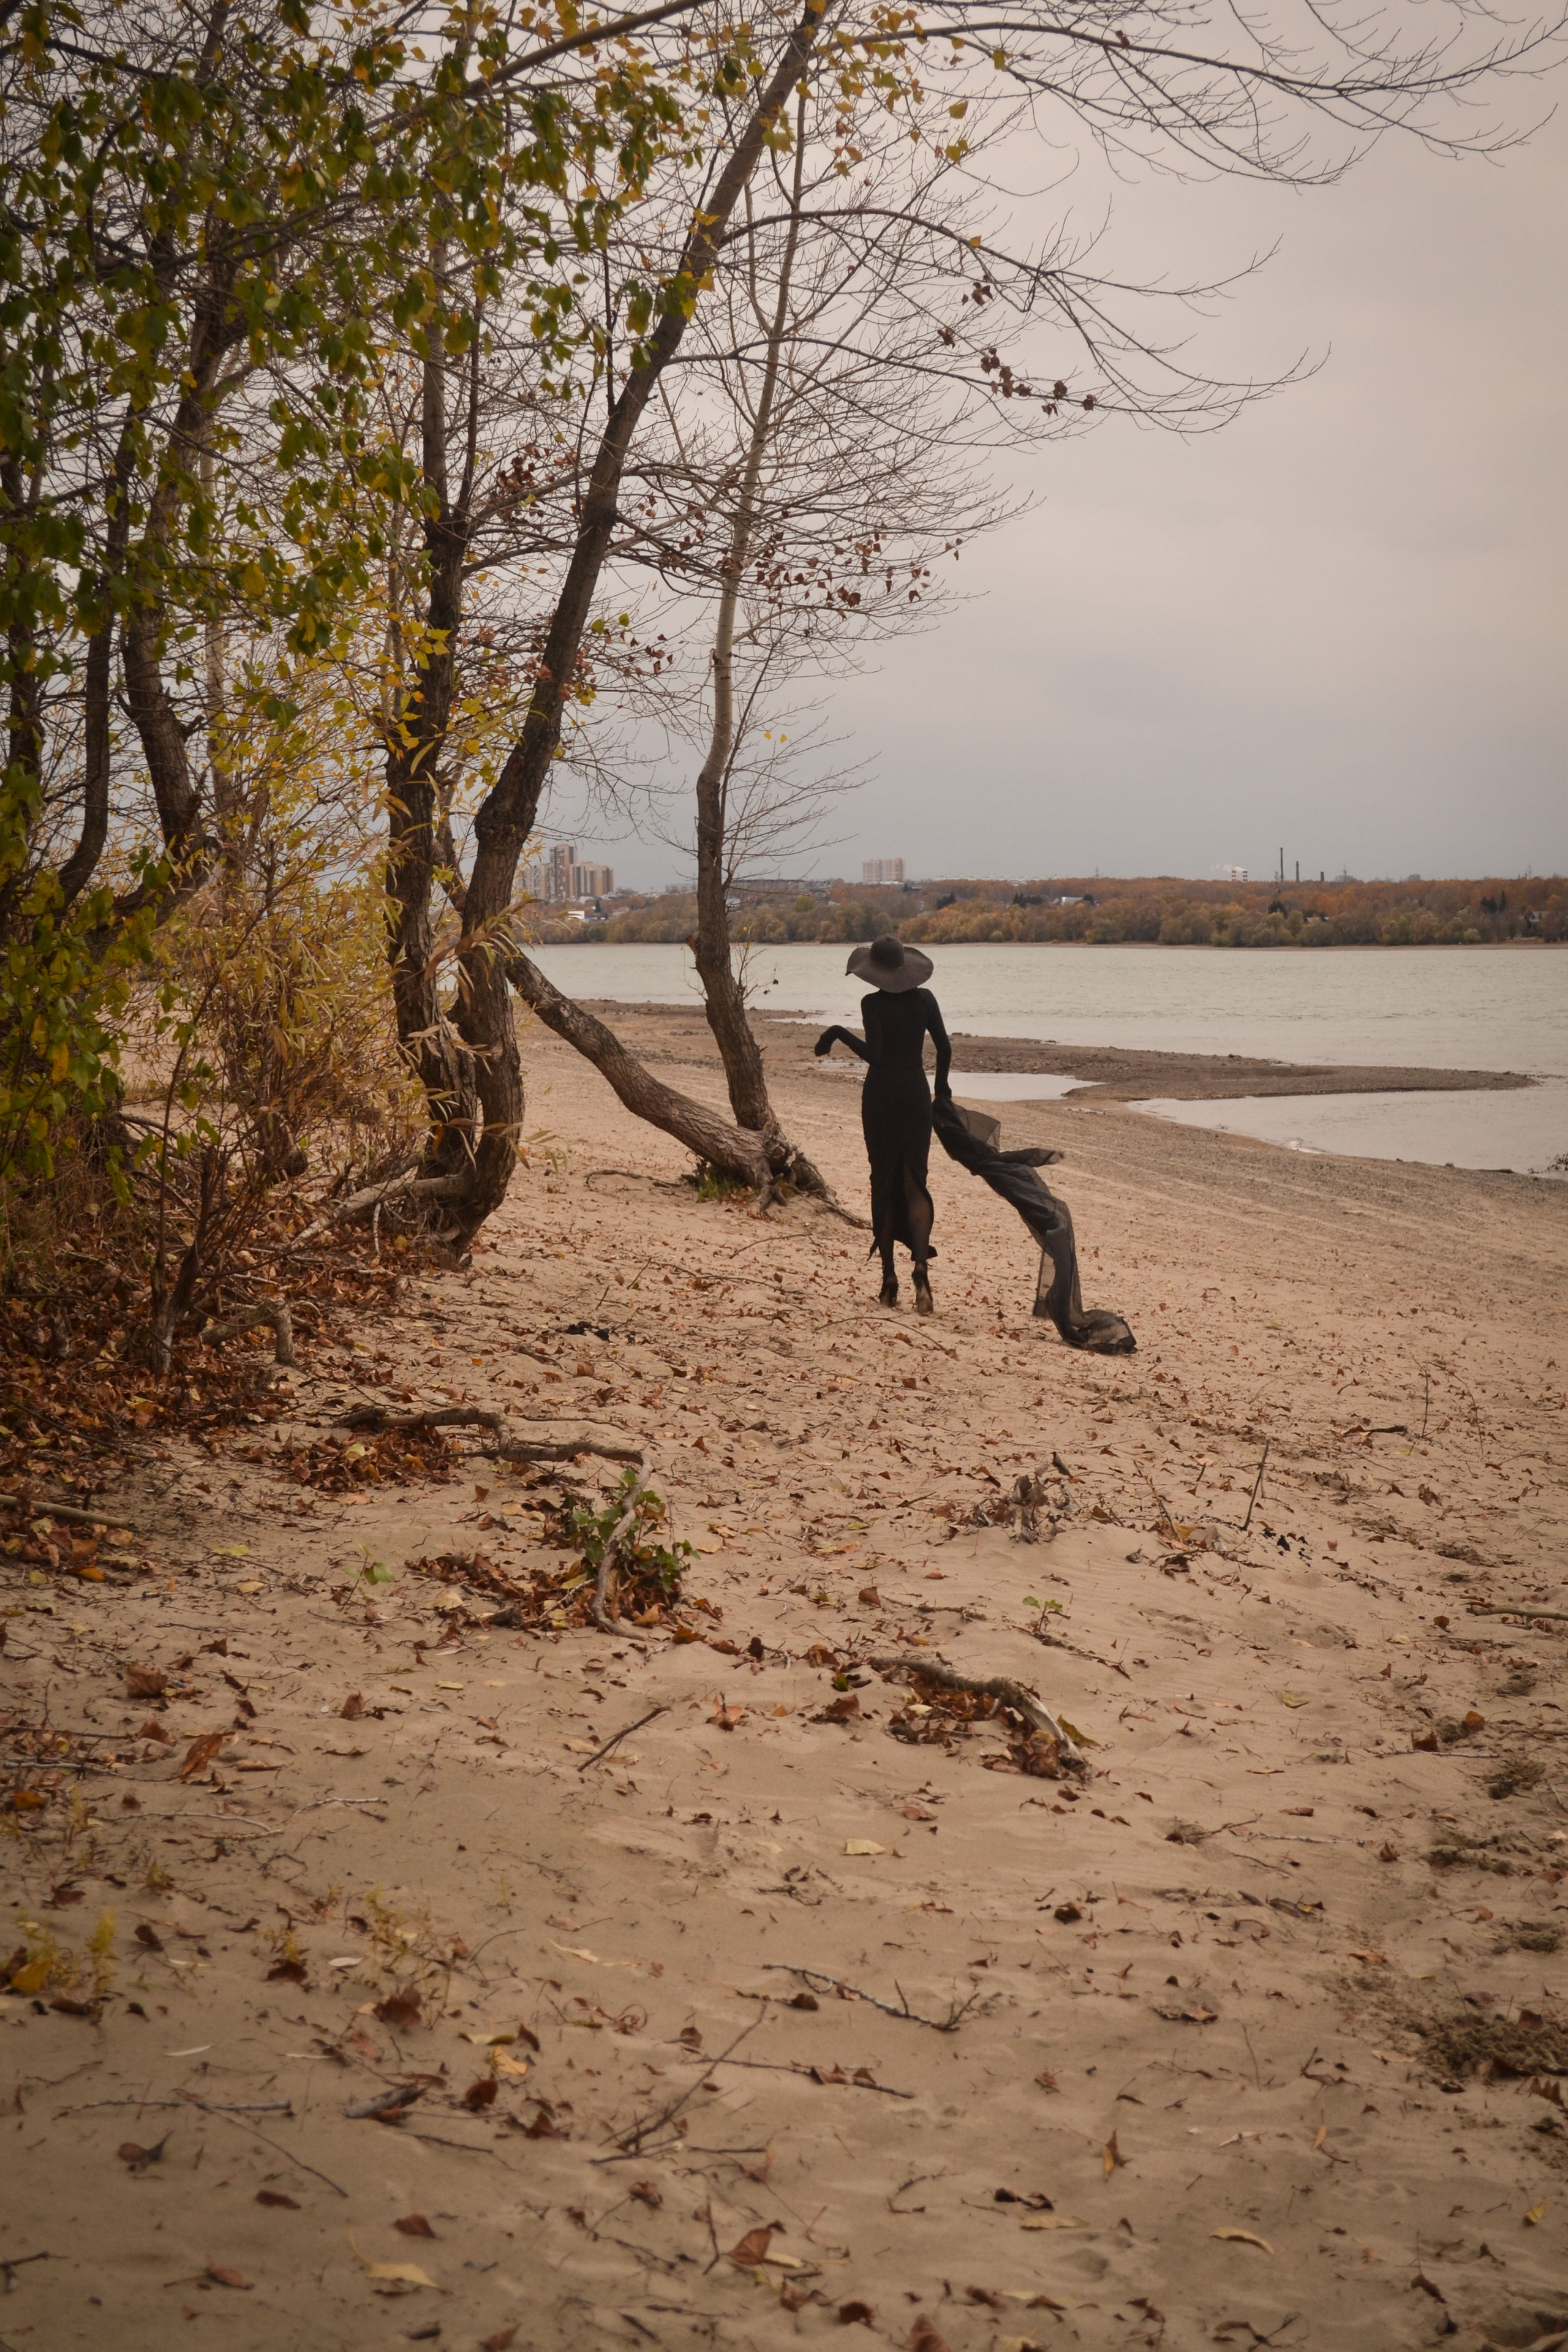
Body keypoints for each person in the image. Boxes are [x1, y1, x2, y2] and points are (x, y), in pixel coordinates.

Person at [814, 935, 951, 1314]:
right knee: (914, 1182)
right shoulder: (926, 1001)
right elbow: (944, 1048)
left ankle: (889, 1279)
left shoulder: (871, 1004)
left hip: (880, 1098)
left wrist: (838, 1033)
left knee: (883, 1179)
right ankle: (921, 1268)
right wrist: (941, 1091)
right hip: (914, 1096)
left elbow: (875, 1055)